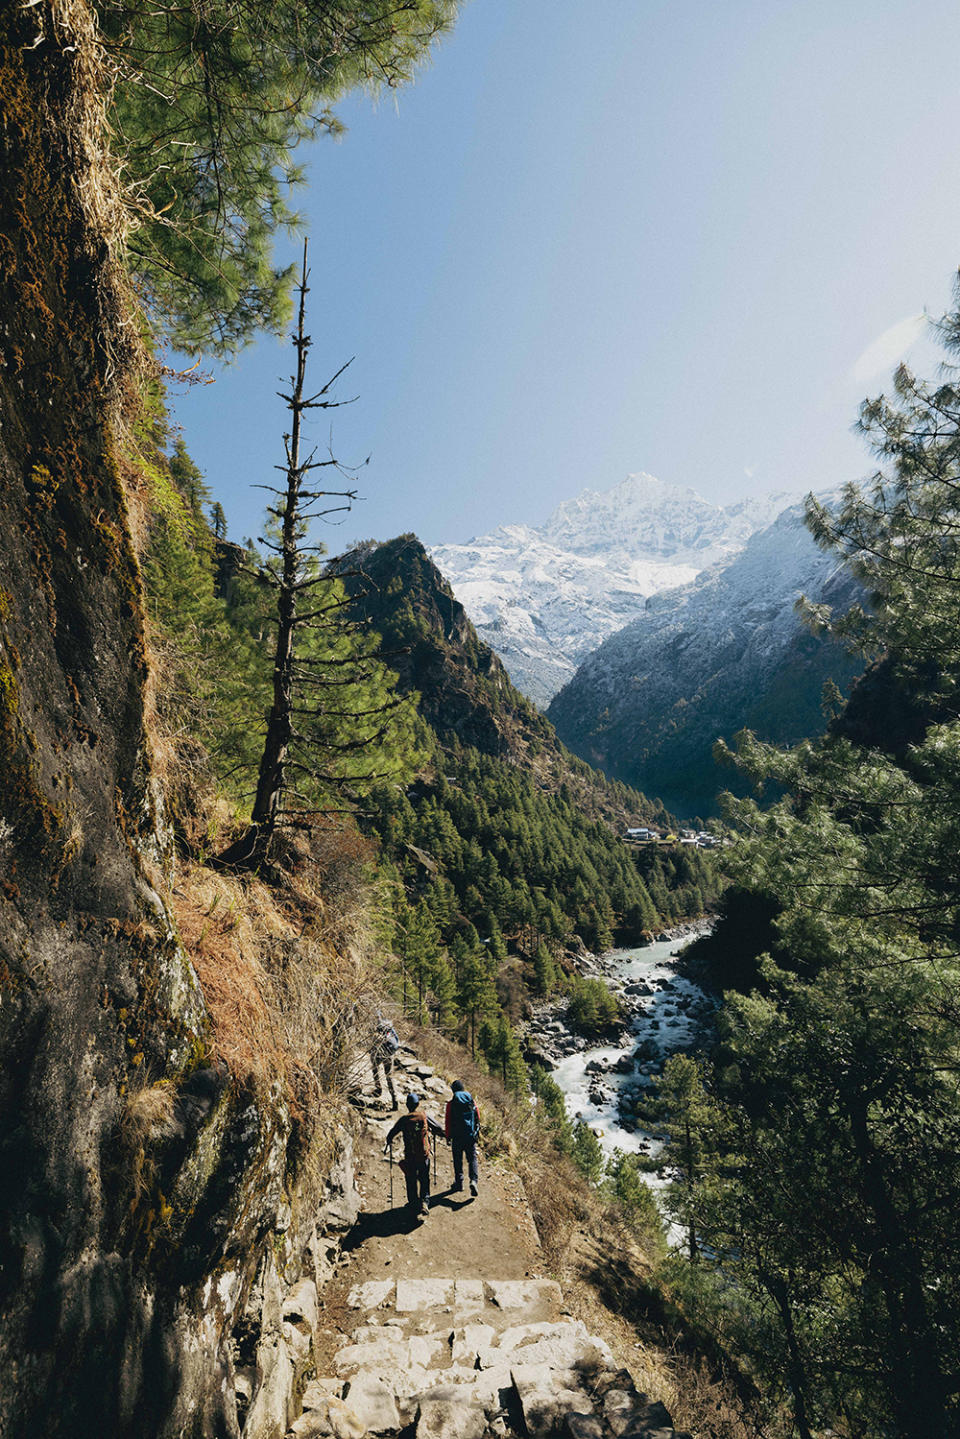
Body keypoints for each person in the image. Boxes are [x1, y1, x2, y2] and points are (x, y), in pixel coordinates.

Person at [385, 1093, 444, 1221]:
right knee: (424, 1179)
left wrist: (389, 1141)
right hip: (423, 1156)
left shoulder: (404, 1120)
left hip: (410, 1156)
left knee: (410, 1179)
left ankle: (413, 1203)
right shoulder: (424, 1116)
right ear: (418, 1104)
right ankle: (425, 1202)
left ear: (407, 1105)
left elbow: (391, 1134)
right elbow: (439, 1127)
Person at [445, 1080, 480, 1197]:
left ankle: (459, 1183)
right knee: (472, 1159)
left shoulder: (451, 1104)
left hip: (457, 1136)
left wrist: (448, 1136)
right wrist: (476, 1132)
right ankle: (473, 1181)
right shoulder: (471, 1100)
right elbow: (477, 1116)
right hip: (470, 1135)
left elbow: (448, 1121)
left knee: (457, 1159)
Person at [370, 1016, 399, 1110]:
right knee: (389, 1076)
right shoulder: (389, 1026)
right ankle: (395, 1099)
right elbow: (397, 1039)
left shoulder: (376, 1028)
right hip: (389, 1054)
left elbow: (372, 1045)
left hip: (378, 1053)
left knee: (375, 1069)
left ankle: (378, 1089)